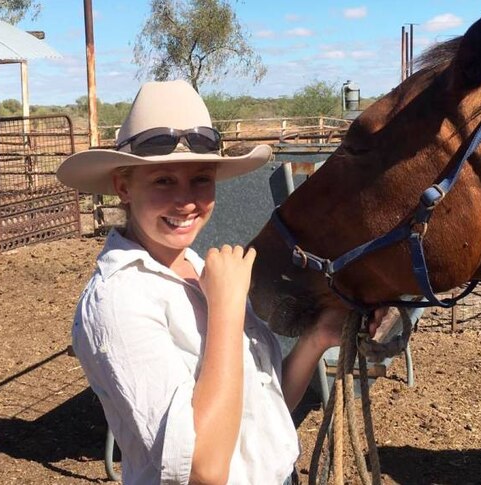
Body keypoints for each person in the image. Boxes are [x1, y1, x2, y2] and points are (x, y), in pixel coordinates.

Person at [57, 80, 382, 485]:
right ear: (124, 187)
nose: (187, 201)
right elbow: (203, 468)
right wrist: (226, 310)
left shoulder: (195, 265)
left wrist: (318, 337)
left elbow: (261, 404)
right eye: (162, 181)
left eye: (200, 178)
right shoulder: (119, 301)